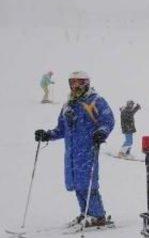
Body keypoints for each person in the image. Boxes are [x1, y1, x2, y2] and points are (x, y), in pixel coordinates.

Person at [34, 71, 114, 227]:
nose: (75, 86)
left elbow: (108, 119)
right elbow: (61, 129)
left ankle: (97, 215)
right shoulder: (68, 105)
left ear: (86, 83)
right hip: (71, 152)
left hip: (88, 148)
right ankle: (85, 212)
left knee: (87, 182)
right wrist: (47, 135)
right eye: (72, 83)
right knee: (76, 183)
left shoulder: (95, 100)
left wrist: (102, 132)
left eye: (79, 82)